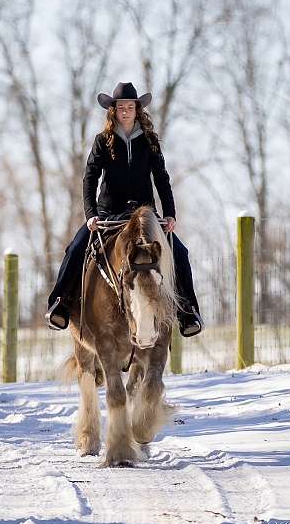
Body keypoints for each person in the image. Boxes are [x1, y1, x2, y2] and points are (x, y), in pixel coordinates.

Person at [46, 82, 203, 337]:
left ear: (137, 110)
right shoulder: (102, 141)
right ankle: (61, 304)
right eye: (121, 108)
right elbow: (90, 178)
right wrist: (91, 215)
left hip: (144, 216)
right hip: (109, 214)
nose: (126, 112)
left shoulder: (150, 142)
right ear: (114, 111)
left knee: (180, 252)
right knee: (75, 248)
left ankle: (187, 311)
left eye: (131, 107)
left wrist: (170, 214)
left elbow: (162, 179)